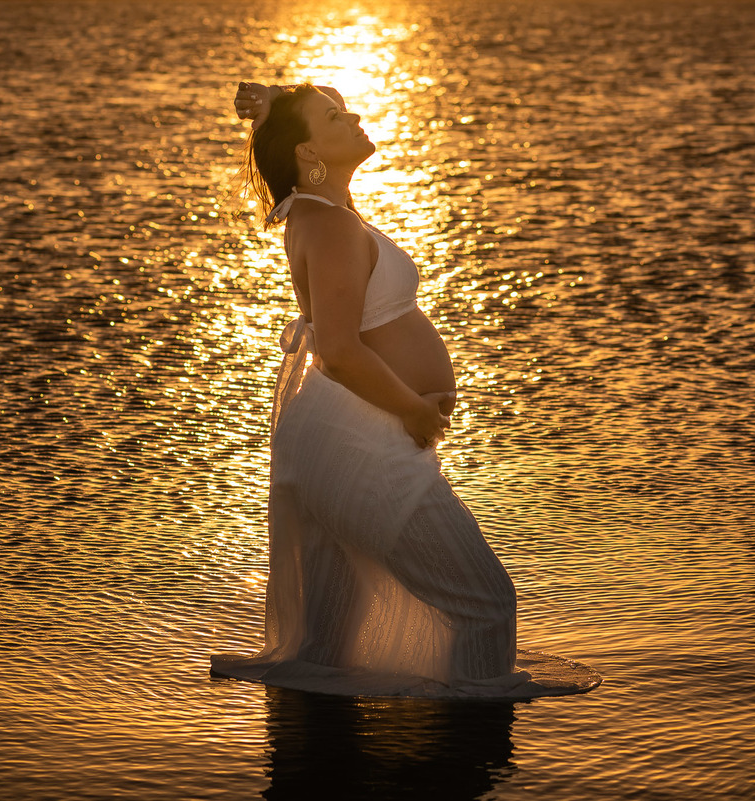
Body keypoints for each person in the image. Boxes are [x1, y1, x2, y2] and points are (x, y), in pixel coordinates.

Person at [210, 81, 553, 699]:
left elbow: (305, 124)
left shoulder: (321, 213)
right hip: (362, 437)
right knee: (484, 603)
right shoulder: (331, 225)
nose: (356, 115)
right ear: (308, 151)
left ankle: (312, 765)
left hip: (339, 434)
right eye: (335, 117)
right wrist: (416, 409)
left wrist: (274, 105)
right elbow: (338, 351)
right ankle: (467, 765)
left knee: (330, 634)